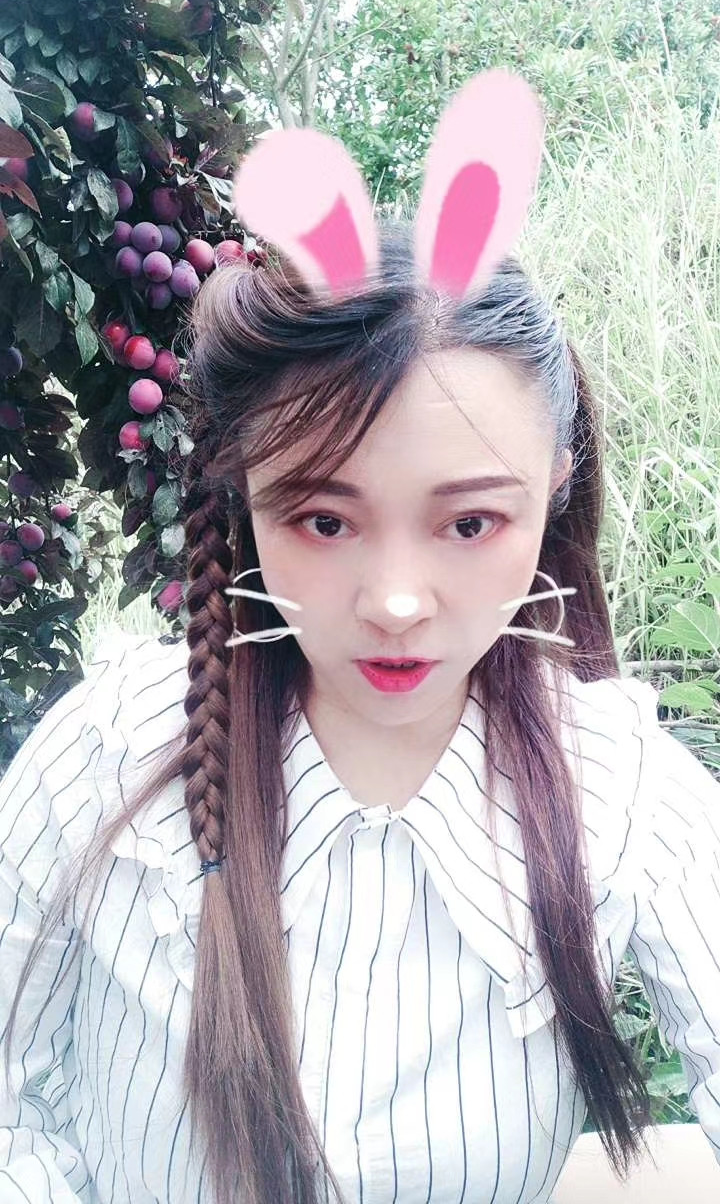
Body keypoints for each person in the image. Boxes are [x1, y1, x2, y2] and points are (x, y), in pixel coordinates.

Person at [1, 76, 720, 1204]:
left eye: (470, 523)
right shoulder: (108, 756)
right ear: (246, 498)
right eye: (324, 521)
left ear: (551, 490)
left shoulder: (621, 795)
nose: (393, 603)